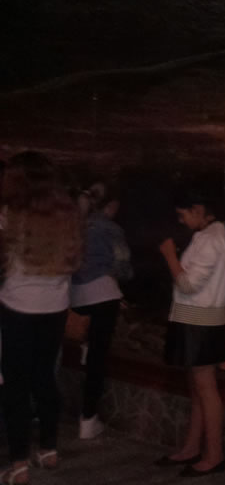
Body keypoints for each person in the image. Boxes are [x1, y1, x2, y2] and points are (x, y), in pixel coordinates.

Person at [0, 151, 83, 485]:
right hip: (55, 307)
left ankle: (19, 463)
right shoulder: (69, 213)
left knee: (16, 385)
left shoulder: (10, 213)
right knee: (45, 377)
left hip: (18, 307)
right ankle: (49, 449)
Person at [156, 192, 225, 477]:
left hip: (201, 324)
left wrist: (169, 256)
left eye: (183, 214)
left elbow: (188, 285)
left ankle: (214, 455)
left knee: (205, 388)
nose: (181, 220)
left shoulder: (211, 240)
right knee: (198, 388)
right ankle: (193, 448)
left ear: (198, 209)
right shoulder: (210, 236)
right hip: (198, 321)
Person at [69, 182, 133, 439]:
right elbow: (123, 265)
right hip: (104, 295)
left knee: (86, 349)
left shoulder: (76, 224)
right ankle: (88, 418)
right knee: (98, 358)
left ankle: (84, 346)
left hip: (75, 297)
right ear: (112, 205)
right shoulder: (111, 228)